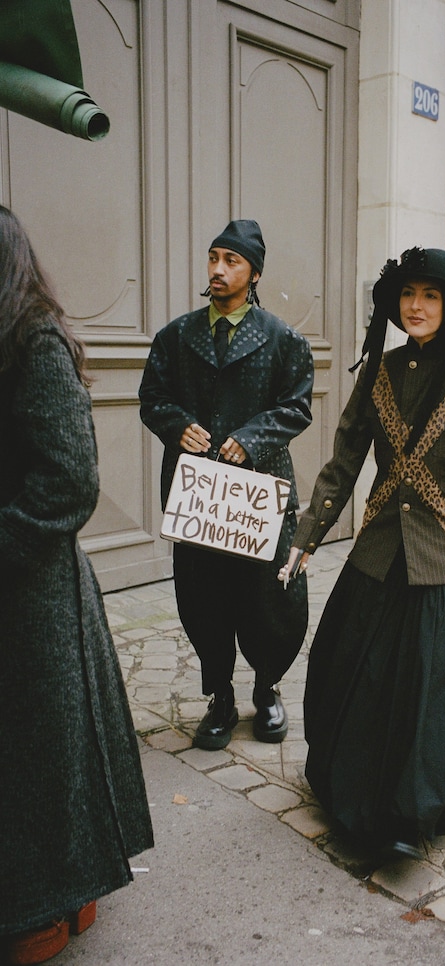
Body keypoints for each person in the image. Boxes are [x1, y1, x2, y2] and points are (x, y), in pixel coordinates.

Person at [282, 246, 445, 859]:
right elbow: (345, 458)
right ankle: (355, 800)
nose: (416, 305)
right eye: (409, 294)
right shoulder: (376, 372)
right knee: (359, 679)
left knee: (433, 696)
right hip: (378, 554)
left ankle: (412, 813)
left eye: (430, 295)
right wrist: (306, 538)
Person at [0, 206, 154, 965]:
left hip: (33, 594)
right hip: (19, 587)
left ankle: (53, 906)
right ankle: (63, 895)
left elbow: (69, 482)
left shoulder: (33, 341)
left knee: (45, 755)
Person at [139, 219, 314, 750]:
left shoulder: (284, 340)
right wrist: (176, 425)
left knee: (269, 598)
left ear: (253, 272)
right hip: (198, 496)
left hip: (258, 495)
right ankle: (219, 696)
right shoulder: (175, 335)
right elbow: (153, 397)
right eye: (213, 257)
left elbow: (297, 406)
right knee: (203, 596)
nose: (217, 269)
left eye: (231, 261)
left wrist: (252, 437)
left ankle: (267, 689)